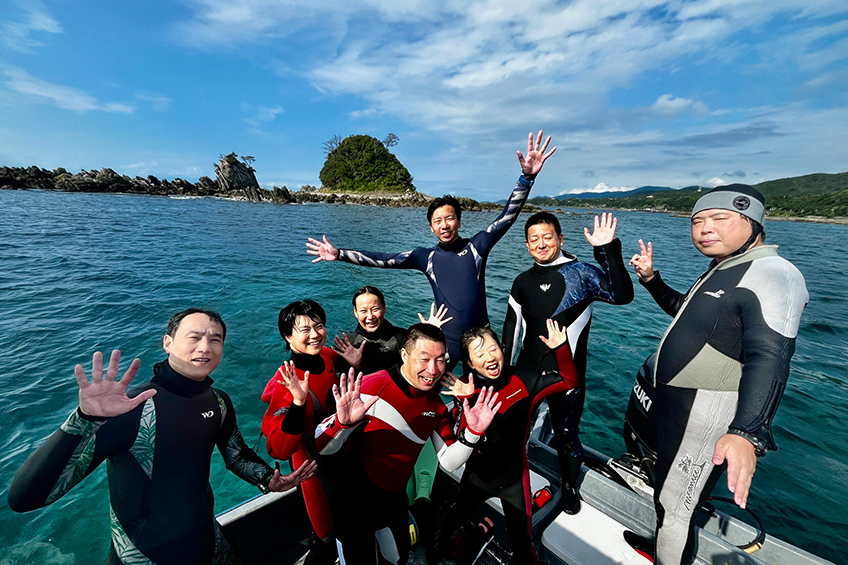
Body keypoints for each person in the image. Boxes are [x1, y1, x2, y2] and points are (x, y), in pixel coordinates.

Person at [8, 308, 314, 564]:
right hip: (144, 555)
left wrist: (268, 479)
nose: (205, 348)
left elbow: (235, 454)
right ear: (167, 342)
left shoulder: (218, 402)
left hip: (209, 543)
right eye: (193, 337)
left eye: (215, 339)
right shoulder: (131, 409)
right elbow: (25, 497)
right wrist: (84, 421)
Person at [628, 184, 808, 564]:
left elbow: (770, 356)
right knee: (666, 492)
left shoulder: (775, 273)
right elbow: (687, 316)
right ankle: (663, 542)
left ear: (753, 222)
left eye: (719, 218)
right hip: (678, 406)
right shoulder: (725, 269)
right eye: (697, 221)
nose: (705, 228)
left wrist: (747, 432)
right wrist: (650, 280)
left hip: (706, 411)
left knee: (677, 507)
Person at [306, 131, 557, 370]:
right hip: (444, 344)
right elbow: (383, 260)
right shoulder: (425, 257)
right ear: (431, 228)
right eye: (437, 221)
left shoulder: (476, 247)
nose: (444, 225)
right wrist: (339, 254)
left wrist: (526, 179)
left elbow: (506, 218)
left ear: (459, 221)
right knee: (425, 393)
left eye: (449, 218)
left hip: (479, 341)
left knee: (487, 398)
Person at [314, 323, 502, 565]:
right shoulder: (373, 386)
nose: (433, 370)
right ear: (405, 355)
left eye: (440, 360)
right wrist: (342, 423)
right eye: (424, 359)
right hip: (353, 504)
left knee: (398, 558)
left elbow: (448, 461)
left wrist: (473, 432)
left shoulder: (435, 404)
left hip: (393, 502)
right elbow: (321, 445)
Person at [501, 210, 633, 510]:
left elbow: (622, 295)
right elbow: (511, 331)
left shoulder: (582, 274)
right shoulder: (521, 281)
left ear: (560, 238)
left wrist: (607, 250)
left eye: (548, 237)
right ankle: (509, 475)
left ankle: (570, 488)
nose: (541, 243)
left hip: (567, 374)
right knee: (515, 427)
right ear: (526, 245)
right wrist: (502, 375)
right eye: (534, 239)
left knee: (566, 434)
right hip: (527, 371)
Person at [429, 319, 579, 565]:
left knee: (522, 542)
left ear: (502, 348)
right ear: (469, 362)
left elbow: (569, 381)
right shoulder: (465, 389)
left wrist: (561, 348)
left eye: (493, 348)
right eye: (479, 353)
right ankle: (439, 545)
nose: (489, 357)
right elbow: (461, 442)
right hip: (478, 477)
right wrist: (464, 402)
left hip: (514, 480)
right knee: (454, 518)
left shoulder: (525, 379)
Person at [260, 299, 353, 564]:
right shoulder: (284, 384)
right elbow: (278, 448)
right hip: (315, 470)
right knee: (326, 541)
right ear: (288, 336)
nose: (315, 334)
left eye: (319, 326)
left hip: (344, 459)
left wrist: (353, 364)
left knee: (349, 528)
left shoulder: (327, 357)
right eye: (305, 329)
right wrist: (298, 404)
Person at [332, 286, 409, 375]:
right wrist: (355, 366)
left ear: (384, 308)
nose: (370, 316)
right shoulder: (349, 344)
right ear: (355, 312)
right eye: (363, 311)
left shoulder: (401, 337)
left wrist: (428, 331)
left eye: (375, 309)